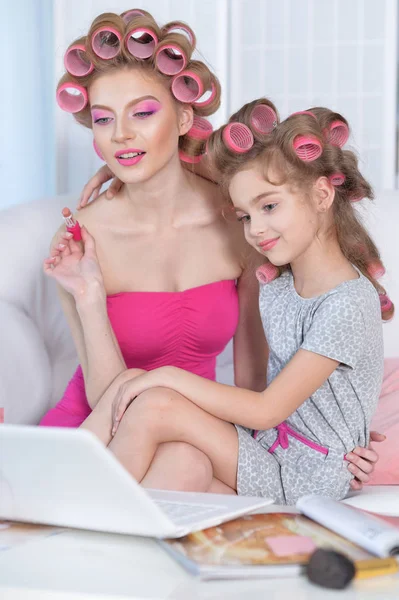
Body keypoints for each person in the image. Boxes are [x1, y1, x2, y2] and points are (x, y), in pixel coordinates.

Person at [42, 7, 381, 491]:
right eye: (102, 119)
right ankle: (64, 509)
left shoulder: (242, 223)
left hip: (190, 424)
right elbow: (109, 397)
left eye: (142, 113)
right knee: (174, 454)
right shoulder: (81, 240)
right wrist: (90, 294)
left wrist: (335, 437)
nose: (120, 135)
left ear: (183, 116)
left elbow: (260, 388)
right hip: (100, 429)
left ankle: (84, 531)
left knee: (186, 463)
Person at [79, 98, 393, 504]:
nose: (256, 229)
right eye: (245, 216)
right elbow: (228, 172)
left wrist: (168, 375)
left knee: (155, 401)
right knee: (177, 457)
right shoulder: (279, 281)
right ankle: (85, 515)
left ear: (320, 195)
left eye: (269, 207)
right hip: (270, 448)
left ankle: (78, 506)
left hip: (302, 475)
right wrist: (121, 167)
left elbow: (265, 409)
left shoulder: (347, 303)